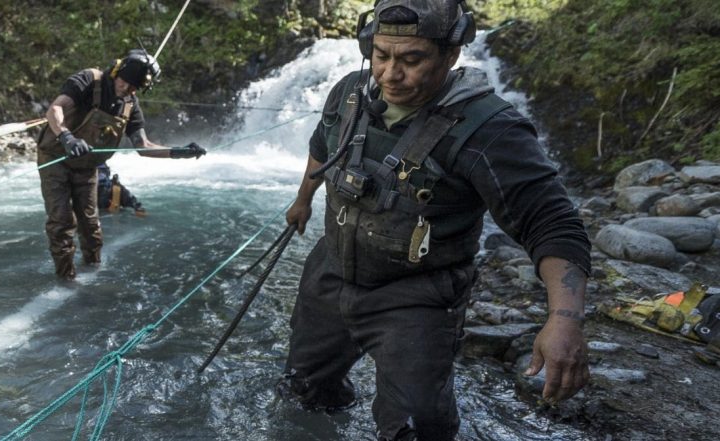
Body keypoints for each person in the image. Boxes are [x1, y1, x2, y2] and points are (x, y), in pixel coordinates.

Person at [279, 1, 592, 439]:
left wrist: (564, 320)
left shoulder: (491, 130)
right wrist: (303, 199)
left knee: (416, 430)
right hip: (329, 275)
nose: (390, 74)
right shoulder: (349, 91)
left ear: (451, 55)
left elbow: (552, 222)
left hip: (418, 297)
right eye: (381, 55)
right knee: (303, 392)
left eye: (412, 60)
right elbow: (322, 144)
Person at [36, 48, 206, 280]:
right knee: (62, 223)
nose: (127, 89)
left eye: (134, 88)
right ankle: (66, 280)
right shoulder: (88, 80)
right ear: (116, 71)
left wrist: (179, 152)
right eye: (125, 82)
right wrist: (67, 137)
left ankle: (93, 272)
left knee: (91, 225)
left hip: (87, 166)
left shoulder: (130, 105)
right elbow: (55, 108)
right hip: (56, 157)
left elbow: (143, 147)